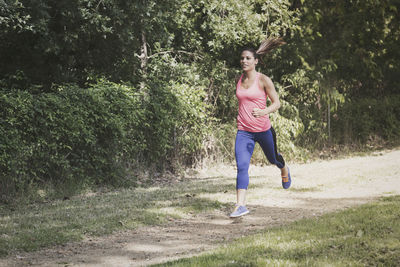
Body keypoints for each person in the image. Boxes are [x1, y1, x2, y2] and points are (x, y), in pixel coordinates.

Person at [230, 37, 291, 218]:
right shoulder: (239, 80)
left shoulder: (264, 80)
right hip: (244, 131)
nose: (244, 61)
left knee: (273, 159)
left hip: (264, 130)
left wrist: (263, 112)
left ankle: (284, 168)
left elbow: (277, 103)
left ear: (256, 61)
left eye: (248, 58)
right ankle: (240, 205)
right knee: (242, 166)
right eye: (242, 58)